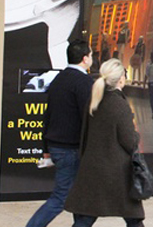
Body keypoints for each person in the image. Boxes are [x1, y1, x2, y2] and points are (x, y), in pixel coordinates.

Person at [64, 58, 145, 226]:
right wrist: (136, 136)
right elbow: (129, 141)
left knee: (85, 217)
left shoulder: (94, 100)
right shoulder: (119, 104)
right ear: (121, 79)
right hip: (117, 172)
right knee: (133, 217)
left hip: (92, 168)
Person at [26, 40, 94, 227]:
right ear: (85, 58)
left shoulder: (58, 79)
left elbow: (48, 115)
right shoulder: (84, 82)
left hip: (56, 145)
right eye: (91, 55)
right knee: (61, 197)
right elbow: (88, 116)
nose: (92, 59)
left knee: (80, 195)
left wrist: (46, 149)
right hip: (71, 149)